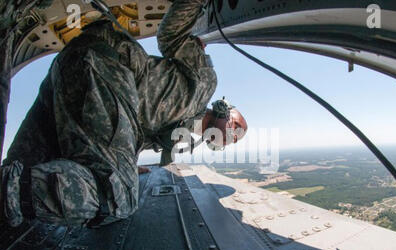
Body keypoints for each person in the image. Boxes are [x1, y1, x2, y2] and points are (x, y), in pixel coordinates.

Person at [0, 0, 247, 228]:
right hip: (107, 65)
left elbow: (131, 124)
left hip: (76, 69)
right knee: (117, 198)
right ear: (226, 110)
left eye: (234, 140)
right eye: (236, 128)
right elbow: (172, 35)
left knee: (24, 164)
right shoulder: (205, 83)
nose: (231, 137)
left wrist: (127, 161)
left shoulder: (178, 136)